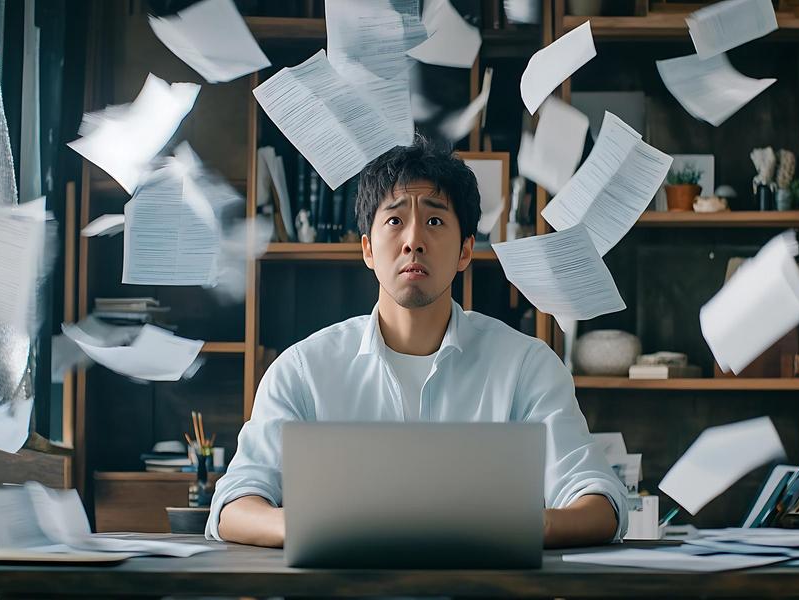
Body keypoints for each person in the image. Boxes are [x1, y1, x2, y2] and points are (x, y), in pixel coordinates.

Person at [206, 136, 627, 547]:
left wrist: (516, 529)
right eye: (394, 220)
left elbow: (600, 503)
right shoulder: (303, 369)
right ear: (368, 250)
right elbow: (232, 506)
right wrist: (312, 527)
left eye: (435, 220)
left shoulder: (525, 365)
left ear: (465, 252)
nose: (413, 241)